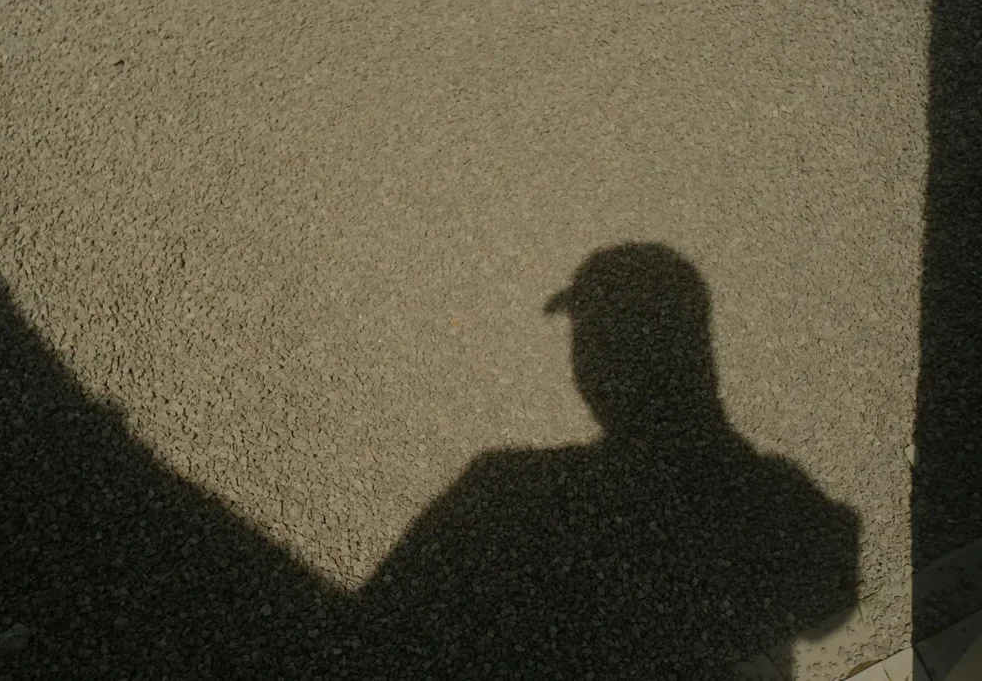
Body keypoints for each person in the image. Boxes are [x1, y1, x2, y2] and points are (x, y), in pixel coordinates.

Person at [349, 243, 860, 679]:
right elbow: (831, 602)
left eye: (590, 337)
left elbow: (376, 633)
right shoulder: (789, 499)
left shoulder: (500, 479)